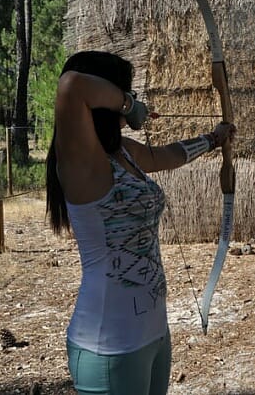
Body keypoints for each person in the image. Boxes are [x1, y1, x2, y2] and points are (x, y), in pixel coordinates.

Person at [45, 50, 235, 395]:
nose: (129, 99)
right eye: (122, 90)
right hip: (109, 344)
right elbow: (71, 85)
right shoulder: (80, 163)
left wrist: (213, 140)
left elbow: (167, 156)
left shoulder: (122, 153)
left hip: (154, 334)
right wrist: (130, 105)